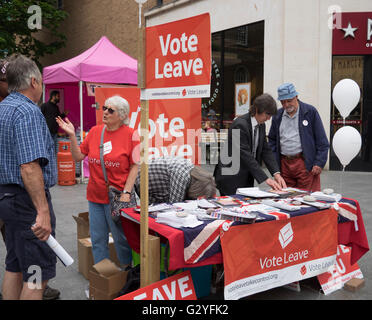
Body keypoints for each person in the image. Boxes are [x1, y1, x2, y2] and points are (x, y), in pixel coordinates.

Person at [56, 95, 139, 268]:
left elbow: (135, 166)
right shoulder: (95, 131)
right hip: (95, 196)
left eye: (111, 110)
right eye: (104, 108)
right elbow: (78, 156)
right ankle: (104, 277)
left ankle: (127, 273)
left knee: (121, 239)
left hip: (118, 198)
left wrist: (127, 192)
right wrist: (72, 136)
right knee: (98, 239)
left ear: (123, 115)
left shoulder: (133, 135)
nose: (106, 112)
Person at [0, 54, 58, 300]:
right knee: (36, 275)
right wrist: (42, 211)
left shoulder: (3, 108)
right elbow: (29, 167)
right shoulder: (27, 112)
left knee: (14, 265)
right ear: (34, 81)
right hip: (26, 202)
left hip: (8, 199)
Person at [214, 93, 287, 196]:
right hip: (230, 177)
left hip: (246, 176)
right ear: (257, 110)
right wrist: (266, 179)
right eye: (267, 114)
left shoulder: (261, 125)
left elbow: (266, 150)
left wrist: (276, 173)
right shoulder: (238, 125)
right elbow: (245, 155)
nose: (268, 118)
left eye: (270, 115)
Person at [268, 83, 329, 192]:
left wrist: (319, 162)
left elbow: (322, 141)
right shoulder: (277, 115)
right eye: (283, 102)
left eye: (289, 100)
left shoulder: (310, 112)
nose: (286, 105)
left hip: (304, 164)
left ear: (296, 96)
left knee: (306, 198)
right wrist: (275, 166)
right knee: (285, 198)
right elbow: (272, 140)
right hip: (284, 165)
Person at [134, 157, 217, 204]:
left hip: (151, 182)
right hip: (139, 179)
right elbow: (174, 205)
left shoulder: (189, 168)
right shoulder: (182, 176)